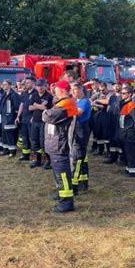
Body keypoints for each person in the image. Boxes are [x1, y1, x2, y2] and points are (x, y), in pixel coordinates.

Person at [42, 80, 79, 213]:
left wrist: (45, 111)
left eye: (56, 89)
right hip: (55, 144)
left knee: (62, 174)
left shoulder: (66, 104)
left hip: (60, 145)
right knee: (58, 174)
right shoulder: (63, 103)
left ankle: (66, 202)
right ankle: (61, 194)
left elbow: (48, 116)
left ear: (62, 91)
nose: (54, 91)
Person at [71, 82, 92, 192]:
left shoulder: (84, 101)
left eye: (74, 90)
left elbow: (77, 112)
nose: (72, 92)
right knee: (82, 157)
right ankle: (83, 181)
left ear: (80, 90)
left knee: (78, 156)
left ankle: (74, 183)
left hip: (81, 128)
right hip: (76, 127)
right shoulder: (75, 100)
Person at [28, 78, 53, 169]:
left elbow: (45, 108)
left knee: (44, 142)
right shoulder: (34, 95)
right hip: (35, 121)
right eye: (38, 86)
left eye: (41, 86)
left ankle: (48, 161)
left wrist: (36, 105)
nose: (40, 87)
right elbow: (30, 108)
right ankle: (37, 160)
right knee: (35, 141)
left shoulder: (48, 96)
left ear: (45, 86)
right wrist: (39, 106)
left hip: (44, 122)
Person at [118, 86, 135, 177]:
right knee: (126, 152)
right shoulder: (123, 104)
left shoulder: (131, 105)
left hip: (129, 133)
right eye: (121, 93)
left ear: (130, 94)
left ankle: (134, 172)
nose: (122, 95)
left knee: (131, 152)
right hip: (124, 133)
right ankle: (128, 168)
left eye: (124, 93)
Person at [91, 82, 115, 157]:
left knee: (106, 133)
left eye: (103, 90)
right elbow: (90, 100)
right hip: (98, 115)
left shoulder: (110, 95)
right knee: (99, 132)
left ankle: (108, 151)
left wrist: (97, 101)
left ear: (107, 88)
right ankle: (100, 149)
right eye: (100, 90)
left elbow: (107, 101)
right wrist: (95, 103)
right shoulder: (98, 94)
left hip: (107, 115)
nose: (102, 92)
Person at [0, 80, 21, 157]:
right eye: (3, 84)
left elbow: (17, 107)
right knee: (4, 135)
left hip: (10, 118)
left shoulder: (14, 95)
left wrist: (15, 117)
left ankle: (12, 151)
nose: (4, 85)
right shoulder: (4, 94)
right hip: (4, 118)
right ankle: (5, 150)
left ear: (10, 85)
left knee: (10, 135)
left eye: (5, 84)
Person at [16, 77, 37, 161]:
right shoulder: (24, 93)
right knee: (24, 137)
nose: (26, 84)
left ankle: (34, 156)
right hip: (24, 118)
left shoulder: (36, 93)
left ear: (33, 83)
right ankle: (25, 154)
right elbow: (22, 104)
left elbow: (38, 107)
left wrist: (33, 117)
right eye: (26, 83)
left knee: (32, 138)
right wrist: (18, 116)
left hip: (32, 119)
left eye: (28, 83)